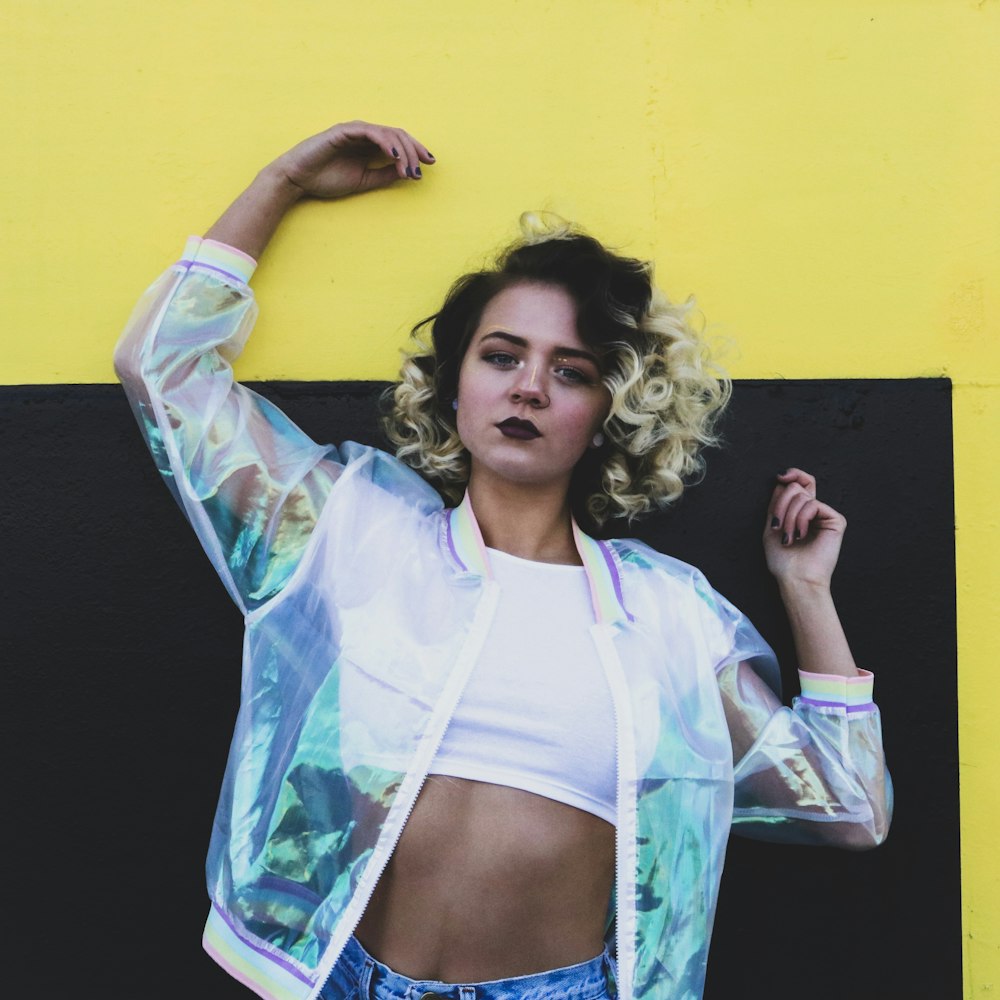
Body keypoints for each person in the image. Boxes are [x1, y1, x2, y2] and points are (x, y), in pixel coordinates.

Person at [114, 120, 891, 1000]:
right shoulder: (351, 535)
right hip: (333, 979)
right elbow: (163, 369)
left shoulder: (669, 617)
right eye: (501, 356)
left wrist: (804, 591)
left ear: (609, 409)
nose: (528, 387)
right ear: (455, 383)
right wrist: (281, 181)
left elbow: (849, 807)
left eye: (571, 371)